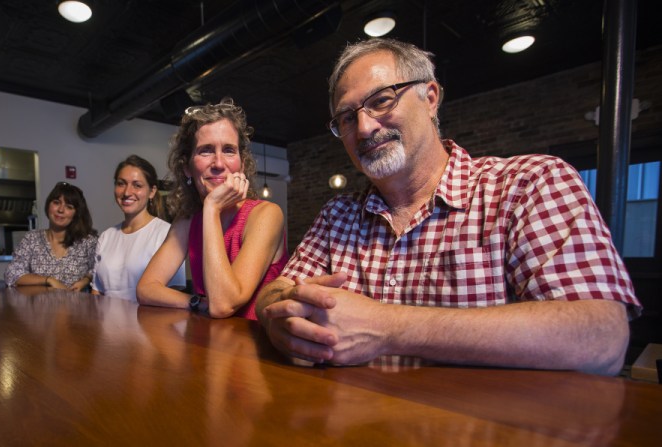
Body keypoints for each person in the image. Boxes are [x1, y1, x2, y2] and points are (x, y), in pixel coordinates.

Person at [255, 38, 642, 375]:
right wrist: (279, 319)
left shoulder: (529, 183)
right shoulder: (337, 215)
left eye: (381, 101)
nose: (366, 127)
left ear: (431, 97)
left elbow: (602, 339)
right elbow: (275, 290)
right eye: (347, 117)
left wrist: (388, 327)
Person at [137, 98, 289, 320]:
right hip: (211, 345)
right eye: (206, 151)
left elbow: (223, 305)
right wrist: (196, 303)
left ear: (242, 164)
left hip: (255, 348)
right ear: (187, 167)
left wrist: (211, 207)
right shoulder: (188, 221)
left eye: (229, 150)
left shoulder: (266, 214)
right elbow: (146, 288)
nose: (219, 163)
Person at [91, 155, 186, 301]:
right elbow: (97, 293)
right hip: (106, 322)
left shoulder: (166, 233)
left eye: (137, 185)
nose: (127, 192)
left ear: (152, 191)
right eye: (121, 183)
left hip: (148, 323)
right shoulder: (106, 237)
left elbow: (174, 292)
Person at [5, 182, 98, 290]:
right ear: (48, 205)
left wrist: (85, 280)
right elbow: (11, 274)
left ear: (76, 213)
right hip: (39, 306)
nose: (61, 210)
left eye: (69, 206)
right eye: (56, 202)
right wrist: (49, 280)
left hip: (75, 305)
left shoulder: (87, 241)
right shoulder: (31, 239)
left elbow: (98, 269)